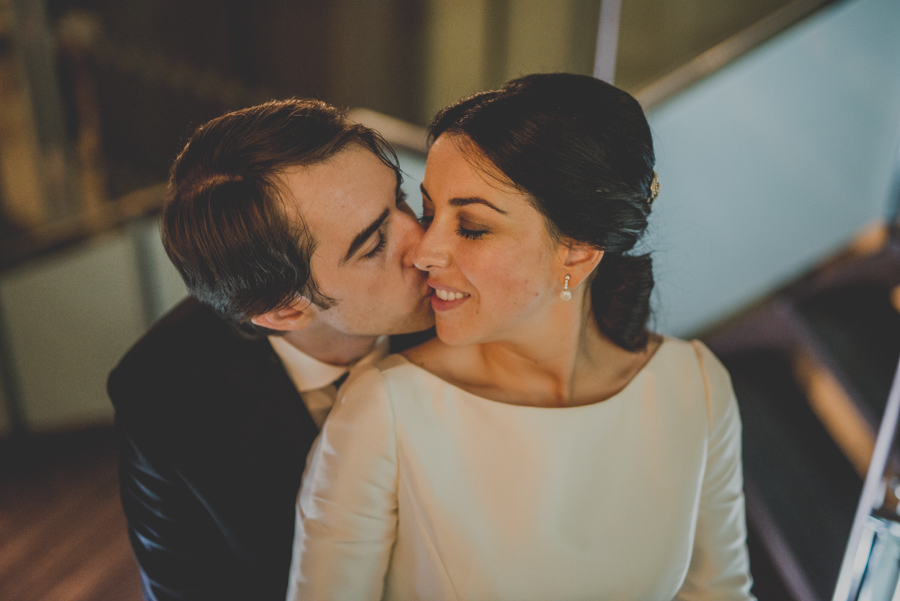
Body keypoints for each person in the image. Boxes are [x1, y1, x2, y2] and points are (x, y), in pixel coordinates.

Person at [287, 73, 755, 600]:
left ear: (577, 251)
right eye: (429, 211)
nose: (423, 251)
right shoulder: (385, 410)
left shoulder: (696, 387)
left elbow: (720, 593)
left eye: (472, 227)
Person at [107, 98, 434, 601]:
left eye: (402, 200)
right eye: (374, 245)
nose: (428, 246)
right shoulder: (162, 391)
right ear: (284, 311)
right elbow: (183, 587)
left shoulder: (465, 297)